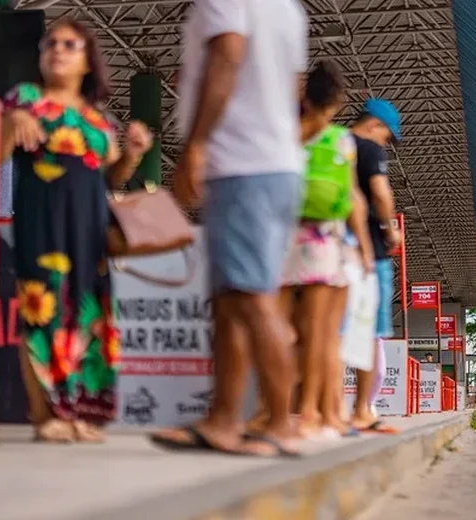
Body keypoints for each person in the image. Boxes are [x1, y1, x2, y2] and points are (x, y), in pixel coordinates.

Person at [151, 0, 308, 457]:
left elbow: (228, 54)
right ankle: (223, 420)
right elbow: (291, 87)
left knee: (252, 297)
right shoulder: (288, 9)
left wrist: (196, 144)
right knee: (229, 301)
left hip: (243, 166)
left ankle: (281, 422)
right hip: (274, 165)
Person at [0, 19, 152, 443]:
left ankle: (79, 412)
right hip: (42, 223)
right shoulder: (25, 101)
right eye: (51, 43)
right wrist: (9, 125)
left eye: (70, 44)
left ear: (87, 61)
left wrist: (134, 154)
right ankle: (44, 412)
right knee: (42, 312)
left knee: (89, 317)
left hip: (90, 232)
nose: (58, 50)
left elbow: (110, 179)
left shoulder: (98, 121)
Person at [247, 60, 374, 439]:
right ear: (336, 102)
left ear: (303, 97)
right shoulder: (341, 141)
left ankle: (269, 411)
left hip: (283, 239)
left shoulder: (284, 137)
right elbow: (353, 197)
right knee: (319, 333)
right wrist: (364, 247)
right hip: (323, 241)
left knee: (277, 327)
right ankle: (309, 414)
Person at [349, 99, 403, 434]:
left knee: (329, 332)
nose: (386, 144)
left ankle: (321, 411)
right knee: (370, 332)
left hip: (332, 250)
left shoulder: (332, 144)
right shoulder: (368, 148)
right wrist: (389, 228)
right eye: (387, 136)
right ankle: (362, 411)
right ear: (373, 125)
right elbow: (380, 196)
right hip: (369, 254)